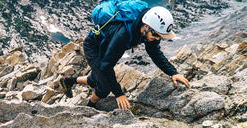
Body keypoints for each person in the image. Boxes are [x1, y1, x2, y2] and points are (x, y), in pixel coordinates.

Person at [59, 6, 190, 110]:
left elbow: (155, 53)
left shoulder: (147, 27)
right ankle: (87, 108)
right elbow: (106, 66)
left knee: (97, 78)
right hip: (94, 47)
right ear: (146, 27)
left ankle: (68, 81)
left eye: (160, 36)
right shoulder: (124, 34)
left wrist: (173, 72)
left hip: (109, 44)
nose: (157, 39)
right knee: (104, 87)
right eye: (156, 35)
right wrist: (119, 94)